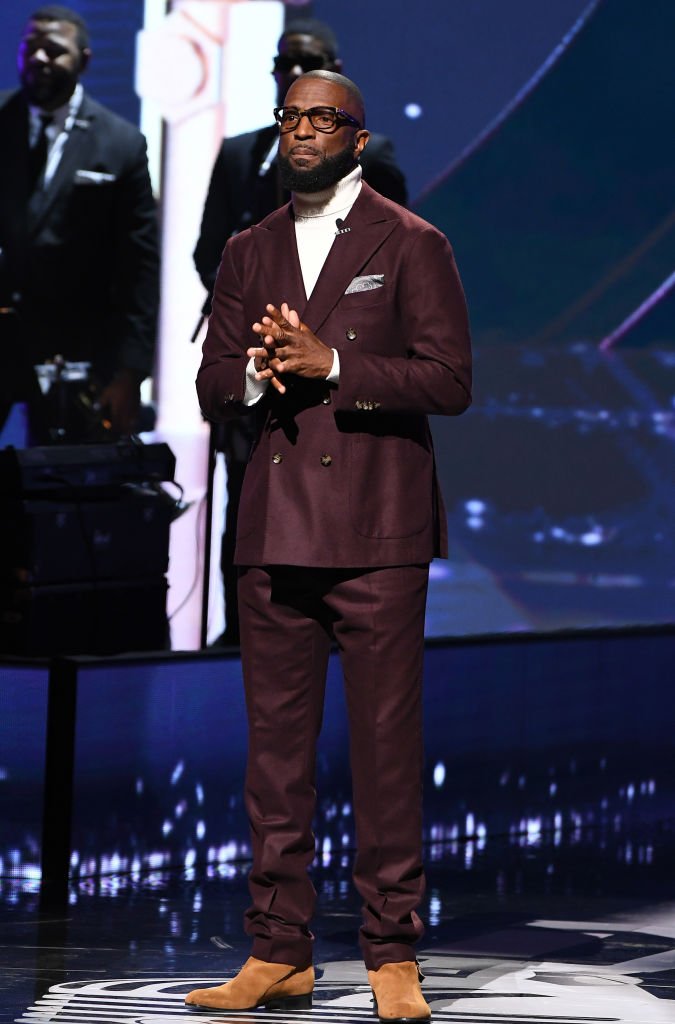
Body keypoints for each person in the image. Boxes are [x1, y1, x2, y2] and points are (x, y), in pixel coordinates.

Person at [185, 71, 472, 1022]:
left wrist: (335, 365)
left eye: (322, 119)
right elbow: (212, 383)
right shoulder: (246, 248)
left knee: (387, 747)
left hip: (376, 531)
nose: (302, 131)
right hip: (274, 530)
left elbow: (447, 379)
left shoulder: (413, 241)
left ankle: (391, 952)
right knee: (274, 756)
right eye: (290, 118)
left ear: (356, 137)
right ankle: (279, 949)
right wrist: (266, 377)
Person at [194, 18, 407, 646]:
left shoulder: (377, 157)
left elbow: (387, 258)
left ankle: (338, 623)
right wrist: (260, 326)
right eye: (285, 66)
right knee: (248, 490)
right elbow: (211, 249)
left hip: (338, 360)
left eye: (308, 63)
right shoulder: (240, 154)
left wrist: (324, 339)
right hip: (258, 352)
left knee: (339, 490)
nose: (294, 76)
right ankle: (243, 632)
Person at [0, 5, 159, 439]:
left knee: (65, 488)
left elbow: (140, 266)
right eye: (31, 47)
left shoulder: (121, 143)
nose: (39, 59)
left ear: (84, 60)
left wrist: (131, 372)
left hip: (77, 349)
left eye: (54, 50)